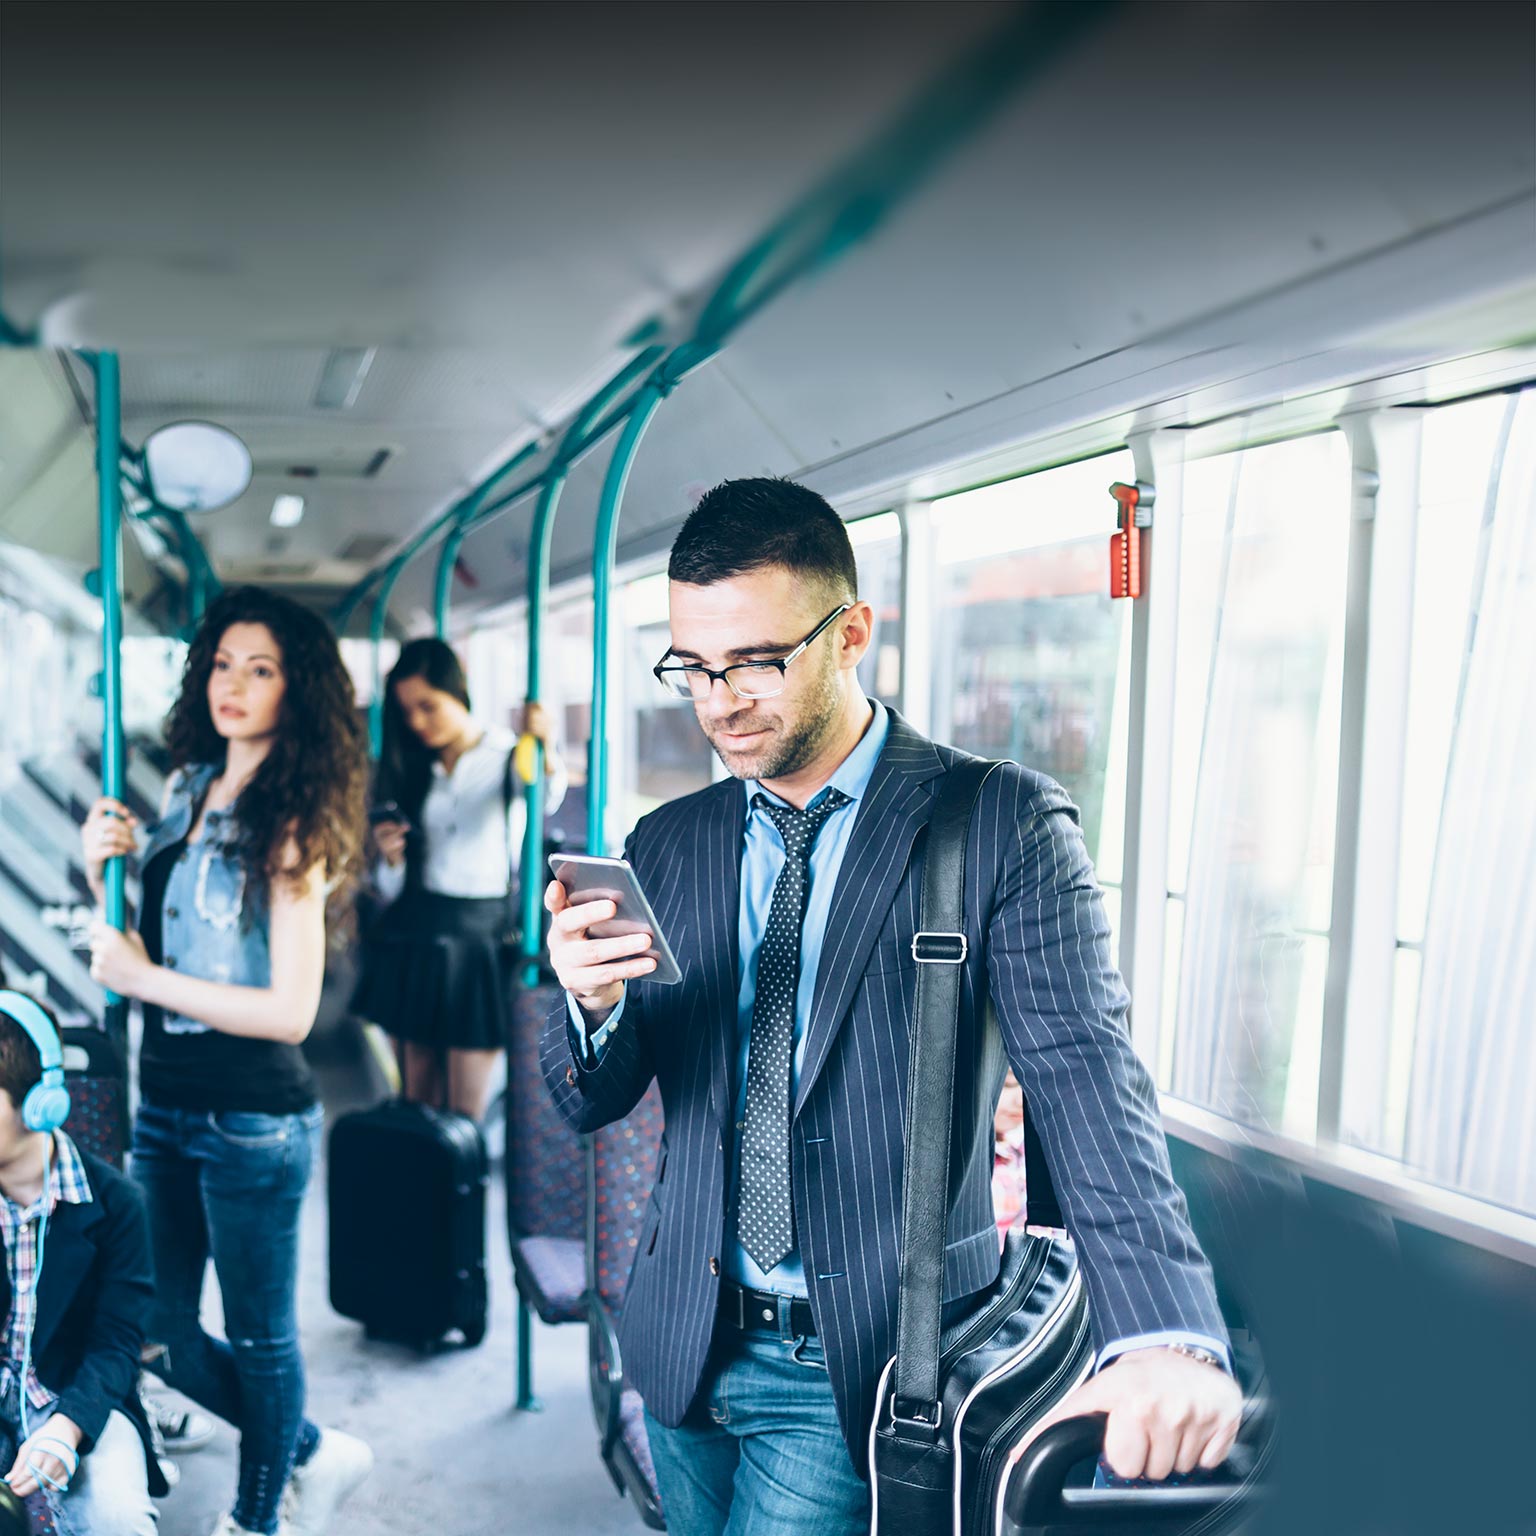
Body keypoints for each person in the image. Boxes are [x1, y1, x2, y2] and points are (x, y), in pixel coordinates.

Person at [542, 478, 1243, 1535]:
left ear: (852, 632)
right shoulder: (669, 843)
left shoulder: (996, 822)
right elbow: (597, 1097)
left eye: (757, 663)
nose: (719, 701)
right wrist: (592, 1003)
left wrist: (1165, 1336)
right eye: (693, 665)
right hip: (680, 1340)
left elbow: (1090, 1076)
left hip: (863, 1359)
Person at [80, 587, 374, 1536]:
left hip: (252, 1119)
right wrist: (100, 870)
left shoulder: (295, 825)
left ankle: (259, 1517)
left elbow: (290, 1013)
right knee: (153, 1330)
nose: (234, 685)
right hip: (163, 1105)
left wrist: (140, 977)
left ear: (298, 692)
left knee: (258, 1337)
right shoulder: (183, 791)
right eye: (222, 664)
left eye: (262, 669)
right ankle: (315, 1452)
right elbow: (143, 949)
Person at [355, 637, 567, 1121]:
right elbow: (389, 890)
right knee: (415, 1100)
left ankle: (457, 1197)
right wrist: (389, 860)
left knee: (463, 1110)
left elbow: (543, 792)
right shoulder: (410, 766)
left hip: (479, 937)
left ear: (461, 689)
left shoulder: (507, 755)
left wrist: (545, 743)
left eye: (428, 706)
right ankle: (417, 1197)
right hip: (415, 930)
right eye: (408, 711)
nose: (417, 722)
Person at [0, 990, 161, 1536]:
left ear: (38, 1102)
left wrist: (68, 1427)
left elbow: (117, 1341)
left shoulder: (116, 1204)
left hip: (76, 1400)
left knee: (118, 1520)